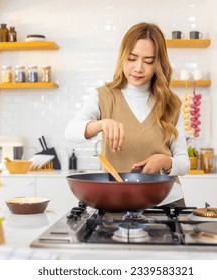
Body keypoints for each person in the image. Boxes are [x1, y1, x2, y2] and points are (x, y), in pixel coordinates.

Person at [65, 22, 190, 207]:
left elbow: (184, 163)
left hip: (167, 203)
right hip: (116, 202)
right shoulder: (103, 96)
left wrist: (164, 161)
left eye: (148, 61)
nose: (139, 68)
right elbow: (70, 132)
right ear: (122, 56)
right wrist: (101, 124)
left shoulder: (171, 103)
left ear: (158, 63)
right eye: (132, 58)